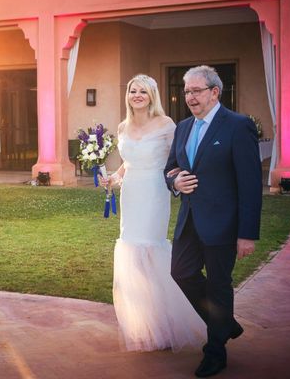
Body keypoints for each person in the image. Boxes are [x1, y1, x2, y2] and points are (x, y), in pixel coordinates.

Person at [165, 65, 261, 377]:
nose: (189, 97)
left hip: (223, 223)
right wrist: (175, 182)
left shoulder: (237, 125)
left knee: (219, 285)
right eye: (186, 91)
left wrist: (247, 233)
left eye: (196, 90)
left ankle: (215, 353)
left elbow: (250, 184)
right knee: (180, 272)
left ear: (214, 92)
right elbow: (171, 168)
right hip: (189, 219)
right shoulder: (182, 127)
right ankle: (225, 324)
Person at [104, 74, 206, 352]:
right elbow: (127, 162)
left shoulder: (166, 124)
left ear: (152, 96)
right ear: (128, 95)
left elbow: (178, 159)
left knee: (150, 249)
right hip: (131, 193)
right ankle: (143, 324)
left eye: (143, 91)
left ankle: (166, 323)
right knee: (131, 252)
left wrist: (180, 179)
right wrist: (113, 178)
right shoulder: (123, 125)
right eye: (133, 91)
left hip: (154, 192)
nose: (137, 95)